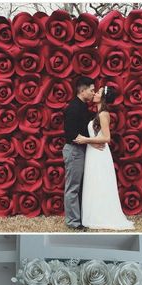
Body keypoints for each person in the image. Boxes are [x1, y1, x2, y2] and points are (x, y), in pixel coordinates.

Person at [74, 85, 134, 230]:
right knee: (94, 183)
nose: (94, 94)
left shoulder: (103, 114)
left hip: (100, 155)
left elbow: (107, 138)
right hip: (93, 152)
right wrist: (90, 141)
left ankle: (101, 216)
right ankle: (93, 215)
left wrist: (86, 140)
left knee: (100, 183)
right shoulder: (98, 113)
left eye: (98, 92)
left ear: (103, 98)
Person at [63, 76, 103, 229]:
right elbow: (72, 134)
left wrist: (91, 143)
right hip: (74, 151)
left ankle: (78, 218)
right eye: (92, 90)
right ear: (83, 90)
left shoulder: (82, 107)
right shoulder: (73, 108)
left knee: (79, 186)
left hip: (80, 150)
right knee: (73, 187)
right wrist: (92, 142)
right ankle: (73, 222)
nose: (93, 93)